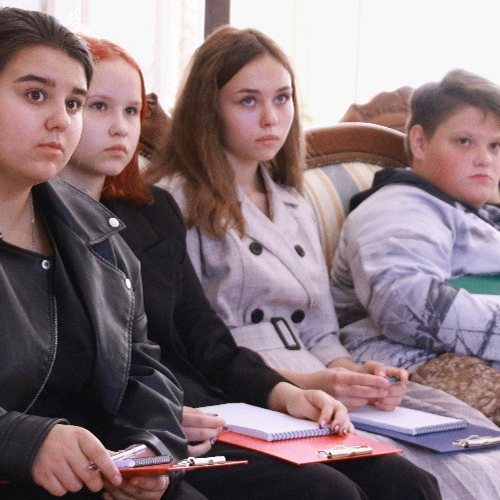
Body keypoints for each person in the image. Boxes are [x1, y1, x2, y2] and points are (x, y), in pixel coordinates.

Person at [60, 33, 441, 500]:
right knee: (325, 492)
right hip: (154, 417)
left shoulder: (151, 211)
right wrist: (155, 416)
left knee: (408, 482)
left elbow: (206, 338)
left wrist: (289, 393)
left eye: (132, 110)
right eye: (97, 106)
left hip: (219, 402)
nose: (121, 127)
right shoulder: (52, 219)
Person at [142, 26, 500, 499]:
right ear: (209, 109)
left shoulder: (293, 200)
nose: (271, 118)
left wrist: (356, 376)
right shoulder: (174, 200)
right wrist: (313, 383)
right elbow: (197, 345)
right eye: (248, 101)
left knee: (475, 448)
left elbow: (320, 328)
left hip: (318, 377)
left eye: (283, 98)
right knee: (409, 477)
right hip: (248, 385)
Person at [0, 7, 194, 500]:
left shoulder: (96, 231)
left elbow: (142, 368)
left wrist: (151, 451)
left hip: (97, 476)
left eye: (74, 103)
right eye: (35, 94)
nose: (60, 120)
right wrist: (25, 441)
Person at [330, 68, 500, 426]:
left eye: (495, 146)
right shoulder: (398, 208)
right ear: (420, 143)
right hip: (407, 364)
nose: (485, 159)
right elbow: (405, 306)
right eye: (464, 142)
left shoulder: (476, 212)